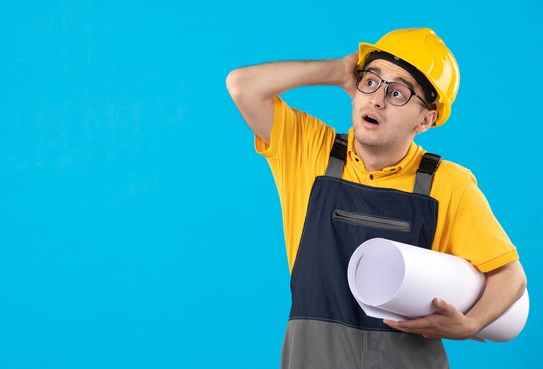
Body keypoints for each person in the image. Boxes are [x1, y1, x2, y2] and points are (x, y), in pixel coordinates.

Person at [226, 28, 527, 369]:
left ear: (426, 119)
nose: (377, 99)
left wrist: (471, 323)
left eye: (398, 93)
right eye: (371, 81)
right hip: (313, 356)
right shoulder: (309, 151)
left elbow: (510, 276)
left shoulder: (448, 183)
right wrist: (338, 70)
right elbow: (242, 85)